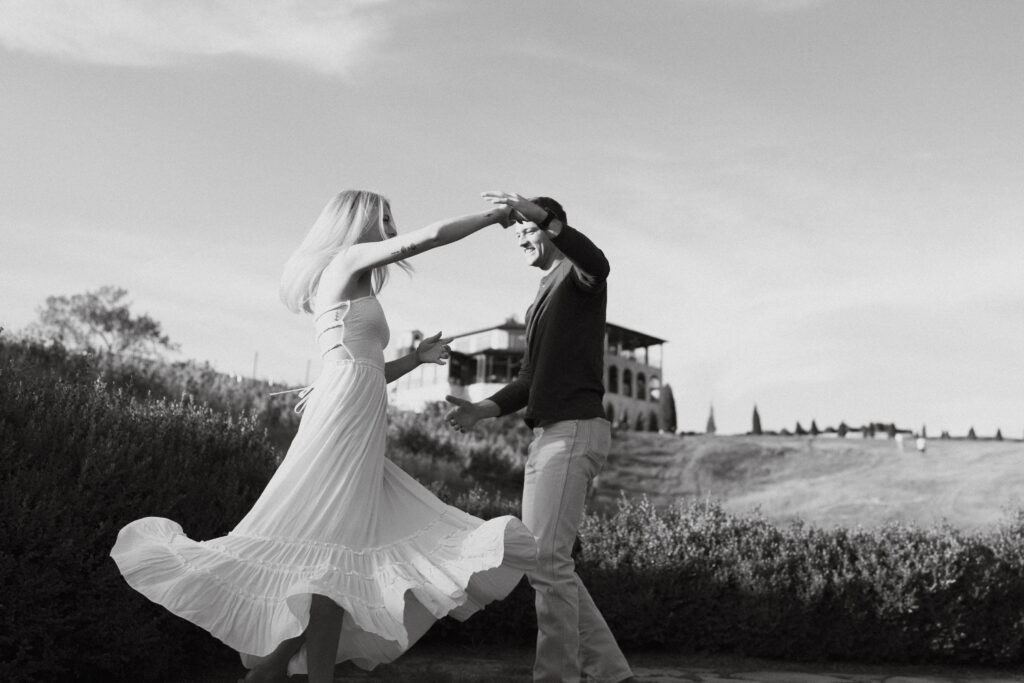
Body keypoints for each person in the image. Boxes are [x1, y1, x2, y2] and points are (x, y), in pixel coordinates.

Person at [110, 190, 537, 683]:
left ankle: (269, 672)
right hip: (343, 417)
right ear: (356, 222)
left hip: (356, 414)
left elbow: (364, 367)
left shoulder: (354, 281)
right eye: (385, 217)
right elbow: (431, 238)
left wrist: (415, 360)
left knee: (336, 554)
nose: (393, 227)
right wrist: (495, 216)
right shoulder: (346, 261)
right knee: (334, 552)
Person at [445, 192, 634, 683]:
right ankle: (612, 673)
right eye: (518, 234)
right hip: (549, 434)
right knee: (545, 563)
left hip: (573, 430)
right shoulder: (541, 300)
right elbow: (530, 378)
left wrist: (541, 216)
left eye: (527, 230)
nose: (523, 240)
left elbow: (600, 263)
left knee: (548, 562)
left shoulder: (577, 274)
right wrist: (482, 410)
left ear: (550, 227)